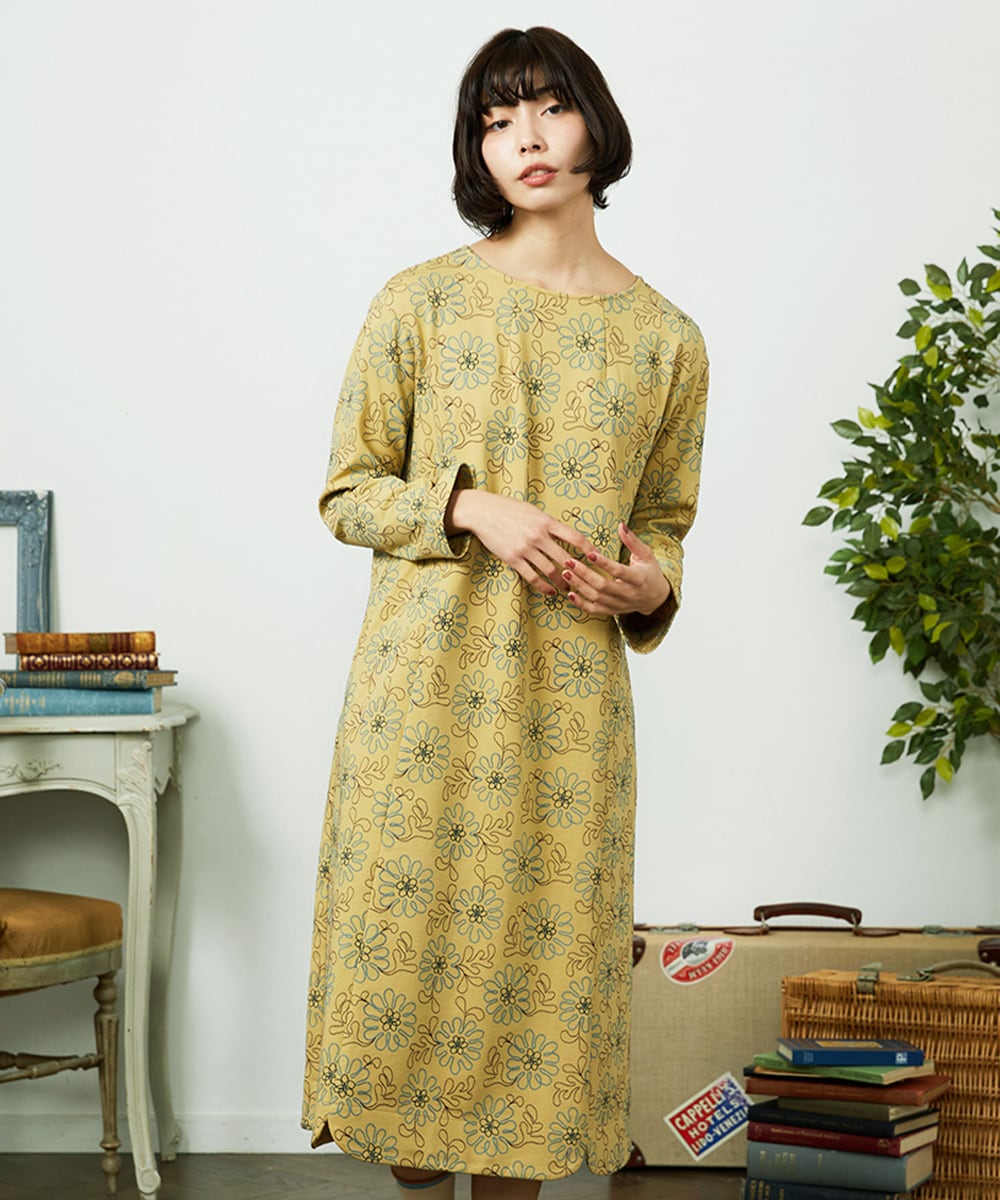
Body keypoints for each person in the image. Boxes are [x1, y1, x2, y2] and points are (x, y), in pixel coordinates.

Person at [302, 25, 708, 1200]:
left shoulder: (668, 341)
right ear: (474, 147)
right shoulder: (420, 302)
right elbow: (347, 491)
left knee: (539, 977)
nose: (524, 137)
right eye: (495, 118)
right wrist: (473, 507)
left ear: (595, 125)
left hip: (568, 708)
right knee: (407, 1006)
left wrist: (653, 585)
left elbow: (666, 520)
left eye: (548, 107)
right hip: (422, 692)